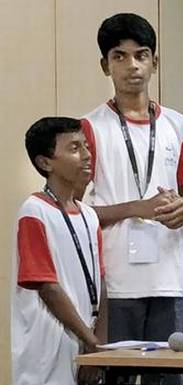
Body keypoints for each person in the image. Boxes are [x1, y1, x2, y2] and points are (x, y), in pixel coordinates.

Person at [81, 13, 183, 385]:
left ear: (155, 62)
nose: (132, 65)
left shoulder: (178, 125)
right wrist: (135, 208)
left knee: (167, 379)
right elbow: (76, 214)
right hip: (116, 282)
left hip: (169, 279)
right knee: (115, 377)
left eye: (141, 55)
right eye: (119, 56)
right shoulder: (88, 127)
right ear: (105, 65)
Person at [12, 117, 106, 385]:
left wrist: (97, 348)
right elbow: (48, 288)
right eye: (75, 148)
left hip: (87, 345)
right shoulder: (34, 211)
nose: (87, 155)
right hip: (47, 349)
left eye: (86, 146)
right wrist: (91, 343)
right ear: (45, 162)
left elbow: (102, 284)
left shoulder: (89, 215)